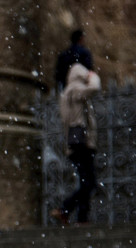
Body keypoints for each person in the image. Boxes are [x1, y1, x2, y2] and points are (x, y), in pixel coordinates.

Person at [51, 64, 102, 226]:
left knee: (86, 182)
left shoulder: (67, 92)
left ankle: (81, 217)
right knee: (89, 183)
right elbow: (94, 88)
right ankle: (65, 209)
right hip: (82, 144)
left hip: (74, 144)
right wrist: (92, 77)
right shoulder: (76, 88)